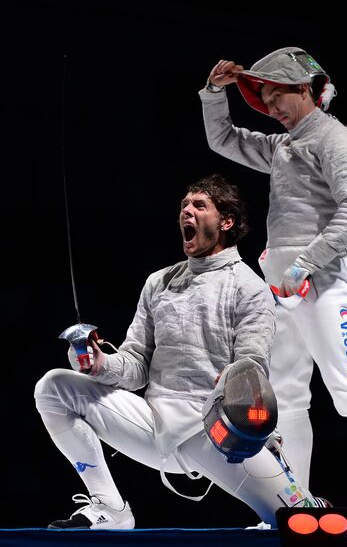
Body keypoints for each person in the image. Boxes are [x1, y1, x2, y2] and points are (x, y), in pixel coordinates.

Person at [34, 174, 328, 530]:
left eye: (199, 206)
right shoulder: (159, 282)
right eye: (184, 206)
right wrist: (100, 364)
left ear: (226, 221)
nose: (186, 211)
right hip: (153, 424)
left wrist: (233, 384)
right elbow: (136, 364)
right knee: (54, 388)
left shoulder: (248, 287)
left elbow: (253, 367)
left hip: (215, 433)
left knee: (302, 523)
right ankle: (111, 508)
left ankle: (301, 497)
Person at [198, 48, 347, 509]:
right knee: (287, 398)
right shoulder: (283, 146)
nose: (270, 107)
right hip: (281, 288)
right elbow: (223, 139)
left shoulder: (335, 140)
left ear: (303, 88)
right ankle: (296, 503)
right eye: (264, 99)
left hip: (325, 282)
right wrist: (212, 93)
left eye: (275, 96)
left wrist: (303, 264)